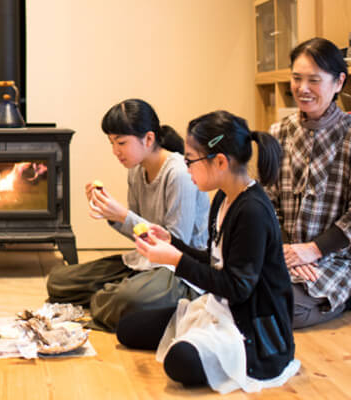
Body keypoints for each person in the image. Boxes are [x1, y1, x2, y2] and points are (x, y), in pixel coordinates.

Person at [119, 111, 298, 393]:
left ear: (220, 162)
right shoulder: (224, 198)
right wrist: (172, 243)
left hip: (252, 329)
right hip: (220, 308)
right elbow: (215, 259)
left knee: (180, 362)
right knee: (128, 326)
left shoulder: (252, 211)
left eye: (190, 160)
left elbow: (238, 287)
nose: (186, 167)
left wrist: (175, 261)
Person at [47, 99, 210, 331]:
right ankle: (111, 298)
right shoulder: (136, 171)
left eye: (121, 142)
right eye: (112, 142)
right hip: (145, 261)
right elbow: (140, 237)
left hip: (179, 270)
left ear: (149, 139)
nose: (115, 151)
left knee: (127, 300)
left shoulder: (179, 174)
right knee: (59, 282)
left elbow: (175, 243)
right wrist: (111, 214)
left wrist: (124, 215)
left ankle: (115, 298)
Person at [265, 37, 351, 328]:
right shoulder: (278, 133)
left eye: (314, 80)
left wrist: (312, 250)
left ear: (339, 82)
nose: (302, 89)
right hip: (285, 255)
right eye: (296, 78)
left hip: (334, 259)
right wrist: (284, 251)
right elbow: (267, 200)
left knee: (279, 307)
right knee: (243, 293)